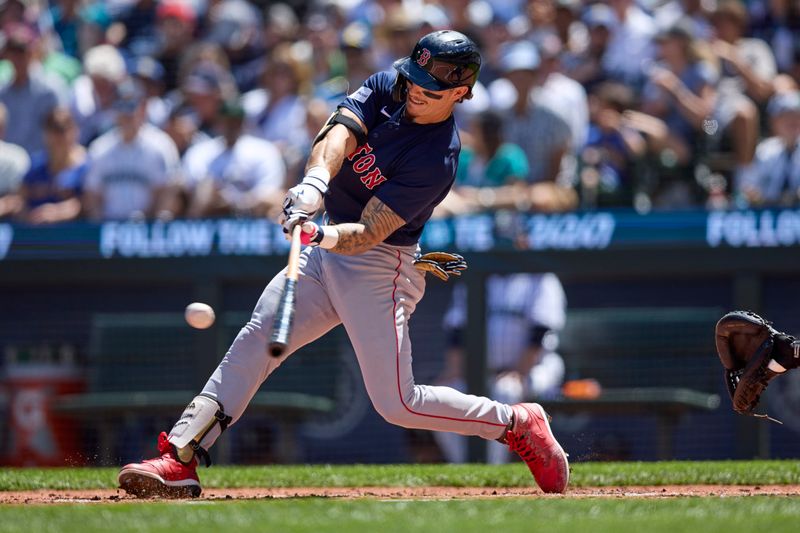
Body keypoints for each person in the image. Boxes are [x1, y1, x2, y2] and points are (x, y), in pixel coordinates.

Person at [117, 30, 570, 498]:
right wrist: (314, 183)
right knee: (257, 335)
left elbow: (370, 232)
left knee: (398, 403)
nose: (415, 89)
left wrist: (320, 233)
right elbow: (339, 133)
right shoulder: (387, 85)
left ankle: (517, 422)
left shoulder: (438, 157)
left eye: (429, 86)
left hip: (379, 264)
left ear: (461, 92)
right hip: (326, 245)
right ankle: (181, 455)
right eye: (415, 77)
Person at [436, 273, 568, 464]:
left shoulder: (540, 277)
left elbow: (541, 332)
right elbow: (457, 331)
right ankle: (463, 466)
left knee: (505, 390)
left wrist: (520, 371)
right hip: (483, 371)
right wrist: (454, 370)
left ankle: (492, 466)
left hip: (536, 367)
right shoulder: (479, 275)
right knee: (444, 395)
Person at [83, 80, 182, 221]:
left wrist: (152, 223)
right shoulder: (100, 148)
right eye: (121, 106)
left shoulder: (161, 146)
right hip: (111, 229)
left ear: (143, 107)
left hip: (148, 229)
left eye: (131, 106)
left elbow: (168, 192)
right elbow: (93, 196)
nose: (126, 114)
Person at [183, 98, 286, 219]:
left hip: (252, 212)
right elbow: (190, 189)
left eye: (236, 122)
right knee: (204, 189)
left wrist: (236, 203)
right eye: (226, 121)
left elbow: (269, 192)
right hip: (210, 212)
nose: (231, 126)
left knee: (278, 199)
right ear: (218, 122)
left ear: (243, 123)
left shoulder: (264, 150)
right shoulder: (201, 151)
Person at [18, 107, 87, 224]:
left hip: (73, 235)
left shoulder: (84, 166)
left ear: (74, 132)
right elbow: (21, 200)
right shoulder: (36, 165)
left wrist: (57, 212)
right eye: (53, 130)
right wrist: (29, 214)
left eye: (63, 130)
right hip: (36, 235)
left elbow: (88, 203)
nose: (58, 137)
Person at [736, 91, 800, 206]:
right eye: (786, 116)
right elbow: (746, 187)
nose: (793, 121)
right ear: (774, 121)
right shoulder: (764, 151)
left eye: (796, 115)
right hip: (768, 214)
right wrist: (754, 195)